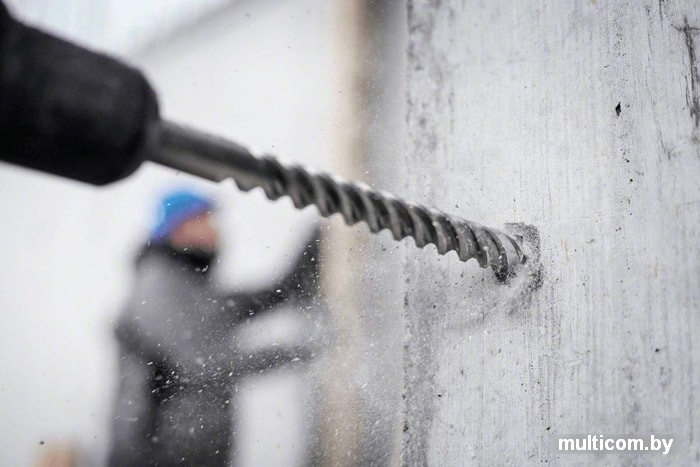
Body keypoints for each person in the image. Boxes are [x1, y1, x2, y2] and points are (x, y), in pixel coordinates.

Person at [108, 189, 319, 466]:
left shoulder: (186, 285)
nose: (216, 231)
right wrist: (299, 350)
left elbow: (250, 304)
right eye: (204, 221)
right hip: (157, 459)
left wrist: (305, 264)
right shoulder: (159, 286)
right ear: (180, 229)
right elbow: (205, 362)